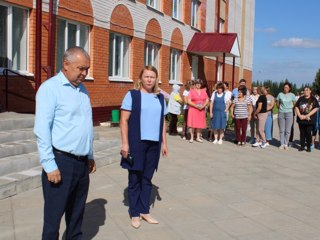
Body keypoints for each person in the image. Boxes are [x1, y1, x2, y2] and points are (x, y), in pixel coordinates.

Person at [34, 47, 96, 240]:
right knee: (53, 219)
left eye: (87, 69)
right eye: (81, 68)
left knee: (77, 217)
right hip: (61, 163)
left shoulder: (82, 90)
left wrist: (90, 155)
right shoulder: (50, 89)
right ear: (66, 64)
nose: (84, 73)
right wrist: (49, 165)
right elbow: (42, 129)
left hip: (81, 163)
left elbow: (85, 125)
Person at [120, 65, 168, 229]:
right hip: (136, 143)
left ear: (156, 79)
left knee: (147, 178)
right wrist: (125, 143)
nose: (149, 79)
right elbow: (124, 120)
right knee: (135, 179)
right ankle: (134, 213)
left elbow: (162, 122)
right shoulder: (133, 95)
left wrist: (164, 143)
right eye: (146, 76)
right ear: (140, 78)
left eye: (152, 77)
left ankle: (144, 211)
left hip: (154, 144)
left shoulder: (159, 98)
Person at [295, 86, 319, 152]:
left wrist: (307, 115)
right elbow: (296, 107)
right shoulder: (301, 98)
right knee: (302, 133)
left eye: (307, 90)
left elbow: (316, 108)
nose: (306, 91)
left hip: (310, 120)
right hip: (301, 119)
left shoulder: (313, 99)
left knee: (308, 133)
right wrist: (299, 115)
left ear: (310, 91)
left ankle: (308, 146)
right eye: (305, 90)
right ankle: (302, 146)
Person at [187, 79, 209, 143]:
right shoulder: (191, 91)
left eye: (199, 84)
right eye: (197, 84)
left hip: (201, 109)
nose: (198, 85)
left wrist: (203, 106)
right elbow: (189, 101)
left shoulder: (203, 91)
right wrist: (196, 106)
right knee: (192, 123)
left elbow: (207, 100)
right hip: (193, 109)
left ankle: (198, 137)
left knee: (199, 124)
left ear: (201, 85)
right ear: (195, 84)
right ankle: (191, 137)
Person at [276, 82, 296, 150]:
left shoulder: (292, 95)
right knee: (282, 130)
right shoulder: (280, 94)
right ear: (283, 88)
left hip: (289, 113)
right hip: (281, 113)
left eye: (287, 87)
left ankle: (286, 144)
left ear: (289, 88)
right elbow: (277, 103)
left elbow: (294, 104)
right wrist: (281, 109)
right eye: (285, 87)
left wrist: (289, 108)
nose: (286, 89)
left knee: (288, 130)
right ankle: (281, 144)